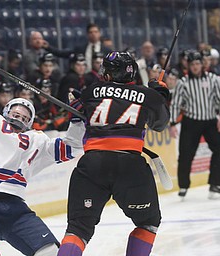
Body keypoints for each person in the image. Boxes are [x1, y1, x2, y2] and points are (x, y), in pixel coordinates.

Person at [0, 49, 85, 256]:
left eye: (26, 113)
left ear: (30, 122)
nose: (19, 112)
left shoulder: (38, 140)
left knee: (51, 252)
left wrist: (78, 120)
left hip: (16, 209)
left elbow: (71, 147)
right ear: (5, 112)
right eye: (14, 109)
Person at [57, 51, 170, 256]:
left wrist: (77, 103)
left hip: (92, 165)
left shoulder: (91, 90)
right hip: (130, 166)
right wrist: (160, 95)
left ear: (109, 74)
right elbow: (160, 124)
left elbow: (81, 105)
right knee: (148, 223)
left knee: (78, 229)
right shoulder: (148, 95)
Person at [169, 50, 220, 200]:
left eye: (197, 64)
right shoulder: (183, 82)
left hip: (210, 120)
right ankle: (183, 186)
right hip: (191, 121)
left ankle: (215, 184)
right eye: (192, 64)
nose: (195, 67)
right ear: (188, 66)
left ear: (202, 65)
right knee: (186, 154)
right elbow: (176, 103)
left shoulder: (213, 79)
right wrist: (172, 123)